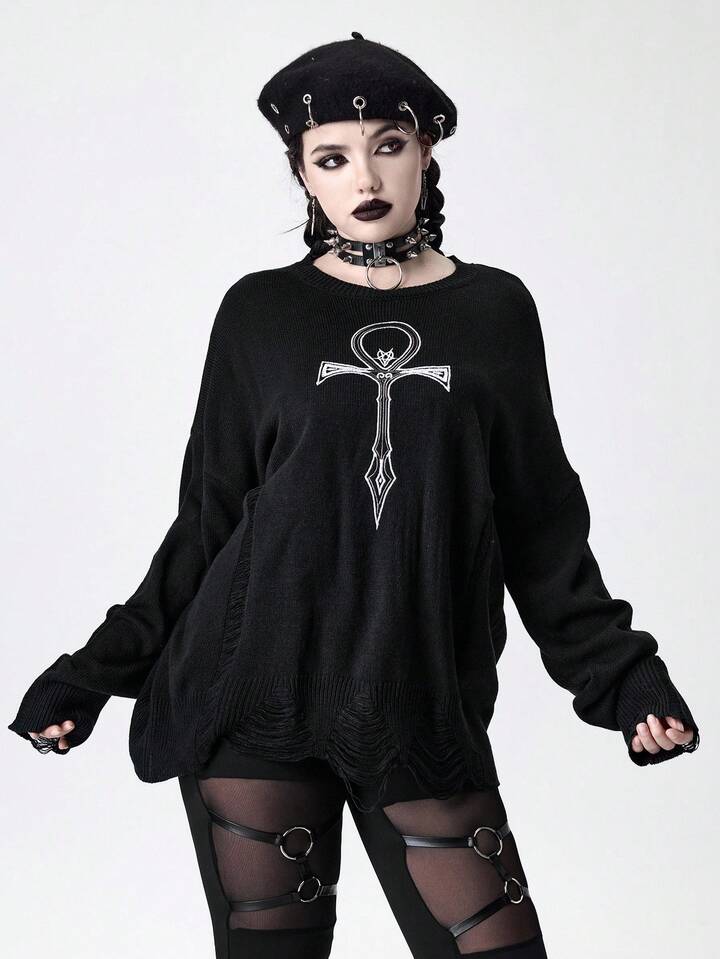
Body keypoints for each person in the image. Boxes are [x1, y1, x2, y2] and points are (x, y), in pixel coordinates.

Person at [9, 31, 699, 959]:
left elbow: (541, 522)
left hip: (416, 698)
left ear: (427, 151)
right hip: (255, 691)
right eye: (332, 156)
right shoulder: (259, 312)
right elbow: (208, 523)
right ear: (302, 173)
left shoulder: (495, 310)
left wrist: (622, 676)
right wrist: (93, 672)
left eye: (388, 146)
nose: (365, 177)